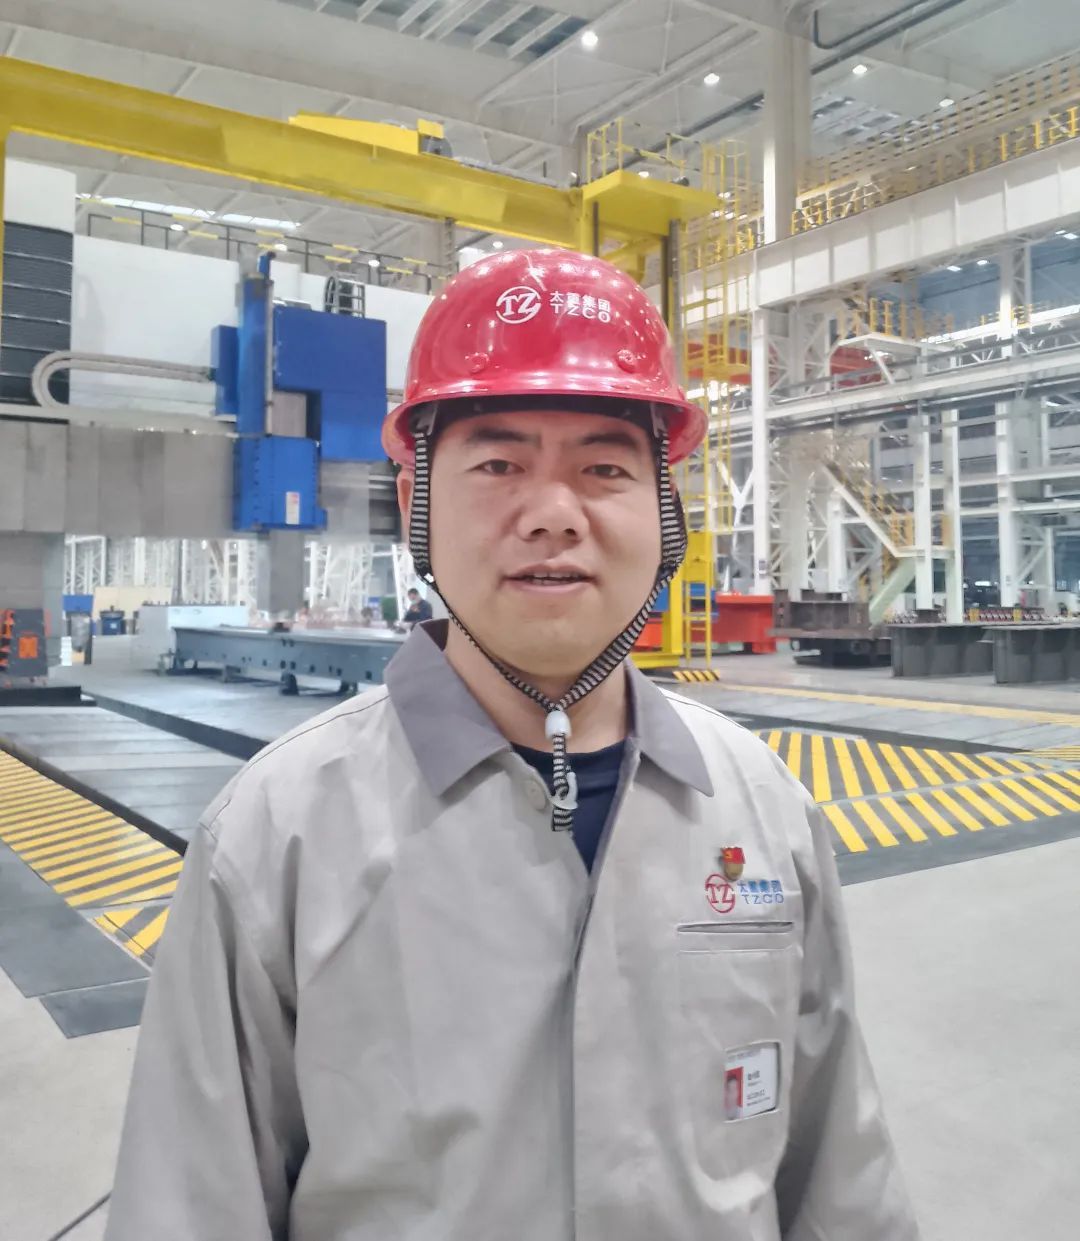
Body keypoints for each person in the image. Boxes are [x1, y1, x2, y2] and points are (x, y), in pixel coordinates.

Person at [105, 249, 919, 1241]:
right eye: (497, 464)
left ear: (664, 509)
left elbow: (840, 1182)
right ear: (416, 500)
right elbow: (189, 1204)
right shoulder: (277, 836)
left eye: (604, 468)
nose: (553, 514)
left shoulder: (763, 806)